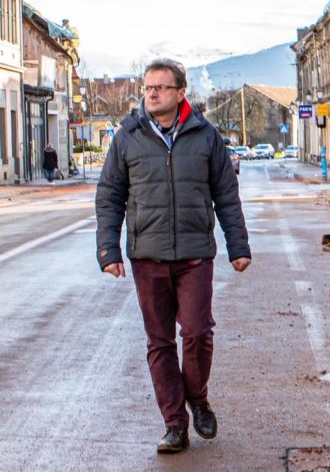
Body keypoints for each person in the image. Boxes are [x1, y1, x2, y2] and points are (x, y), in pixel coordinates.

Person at [95, 58, 251, 454]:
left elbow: (226, 195)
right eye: (148, 87)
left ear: (181, 93)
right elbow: (109, 196)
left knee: (198, 332)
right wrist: (108, 249)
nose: (152, 93)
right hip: (147, 256)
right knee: (159, 342)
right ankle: (175, 424)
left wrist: (238, 246)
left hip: (195, 254)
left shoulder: (205, 135)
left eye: (161, 88)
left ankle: (196, 398)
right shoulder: (127, 136)